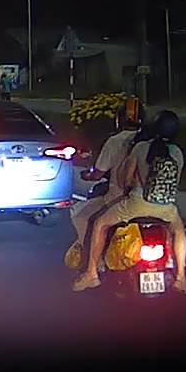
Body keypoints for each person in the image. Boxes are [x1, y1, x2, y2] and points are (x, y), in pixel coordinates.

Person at [73, 111, 186, 294]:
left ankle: (91, 274)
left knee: (100, 224)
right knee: (179, 231)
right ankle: (181, 278)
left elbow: (126, 179)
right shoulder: (177, 153)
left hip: (137, 204)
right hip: (166, 208)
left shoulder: (141, 148)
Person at [66, 97, 145, 267]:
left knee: (82, 216)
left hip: (118, 200)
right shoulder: (151, 143)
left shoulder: (115, 141)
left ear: (119, 119)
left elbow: (98, 173)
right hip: (151, 201)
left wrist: (88, 174)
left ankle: (95, 265)